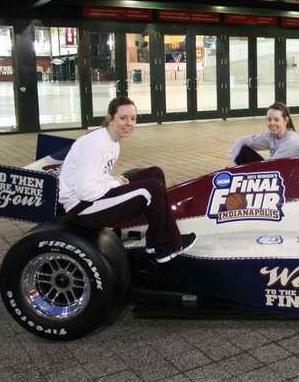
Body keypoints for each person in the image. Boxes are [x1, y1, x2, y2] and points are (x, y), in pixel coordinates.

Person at [58, 97, 196, 264]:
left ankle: (154, 241)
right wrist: (114, 183)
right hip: (82, 209)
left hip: (92, 198)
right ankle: (167, 248)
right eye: (123, 118)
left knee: (155, 173)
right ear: (111, 118)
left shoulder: (113, 142)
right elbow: (85, 191)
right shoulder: (95, 144)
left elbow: (98, 174)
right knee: (151, 189)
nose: (129, 123)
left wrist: (113, 180)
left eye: (133, 118)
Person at [229, 102, 299, 165]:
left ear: (286, 120)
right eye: (269, 119)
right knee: (244, 151)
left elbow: (270, 166)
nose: (272, 123)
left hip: (290, 178)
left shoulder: (291, 141)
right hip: (277, 170)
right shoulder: (271, 135)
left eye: (276, 120)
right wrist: (231, 161)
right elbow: (245, 141)